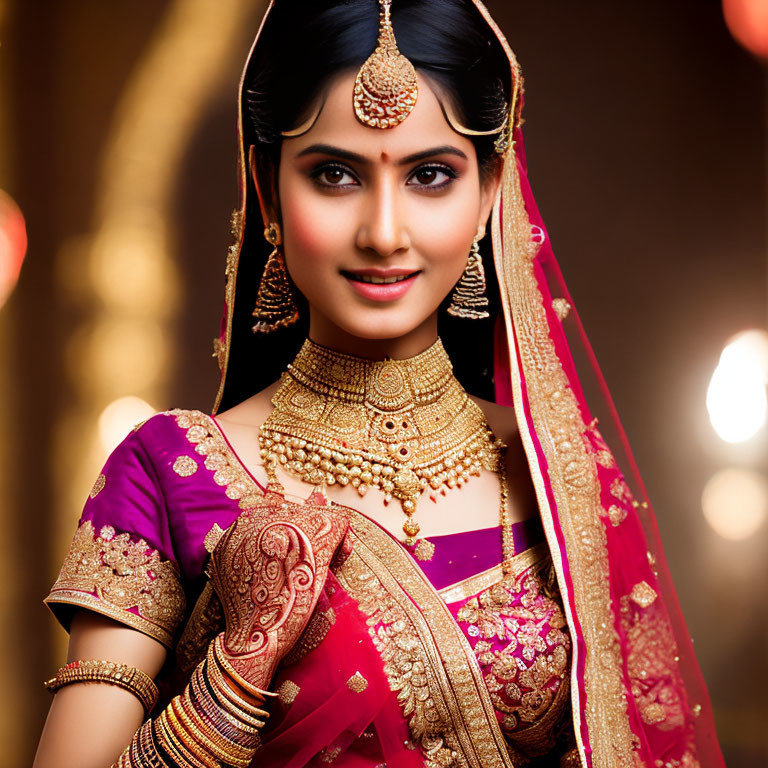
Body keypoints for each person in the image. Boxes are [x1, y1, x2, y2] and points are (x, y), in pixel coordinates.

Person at [33, 1, 726, 767]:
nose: (385, 231)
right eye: (335, 175)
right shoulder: (170, 473)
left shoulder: (553, 471)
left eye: (431, 175)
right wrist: (234, 673)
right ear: (267, 188)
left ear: (489, 191)